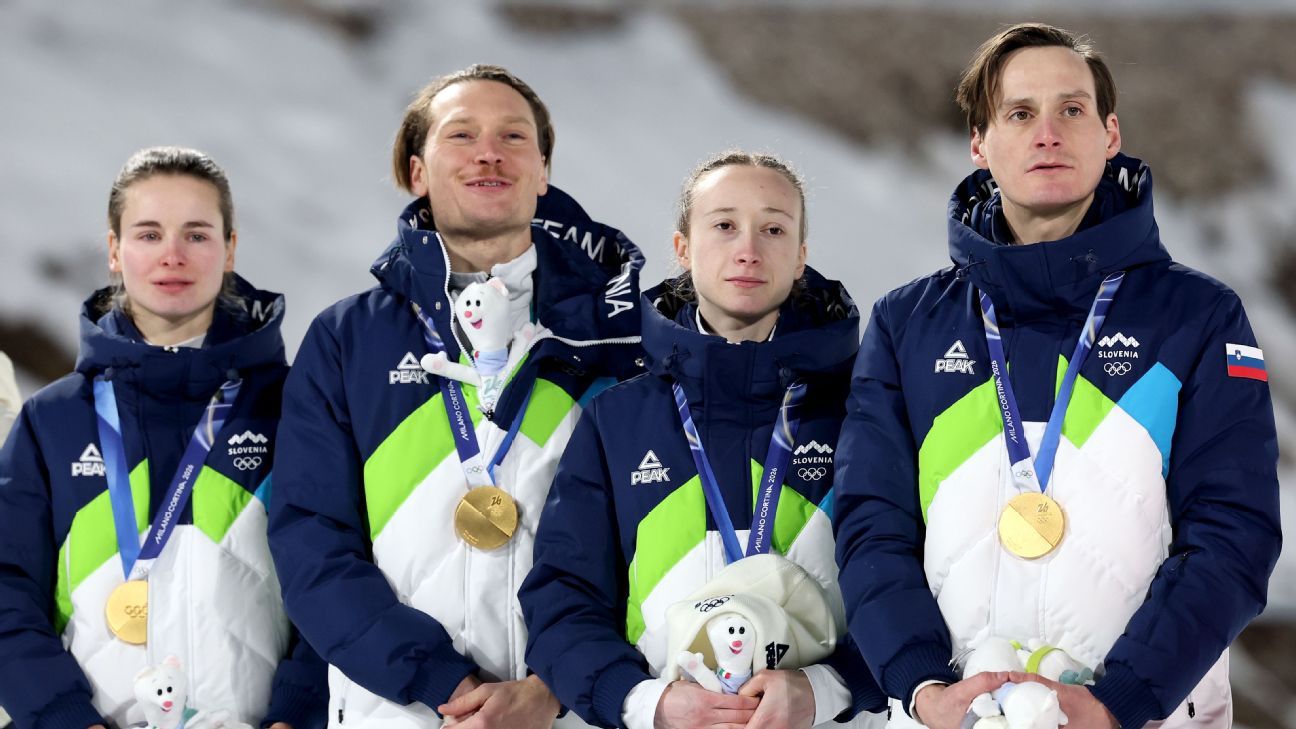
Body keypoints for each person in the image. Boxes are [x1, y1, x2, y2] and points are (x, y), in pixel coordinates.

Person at [832, 22, 1281, 729]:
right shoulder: (906, 324)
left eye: (1071, 109)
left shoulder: (1198, 316)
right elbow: (871, 527)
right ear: (980, 144)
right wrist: (922, 688)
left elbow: (1234, 532)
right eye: (1020, 113)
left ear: (1110, 133)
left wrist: (1120, 701)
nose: (1048, 134)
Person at [267, 65, 644, 729]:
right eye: (461, 134)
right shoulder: (348, 339)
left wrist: (554, 685)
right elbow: (312, 544)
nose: (488, 153)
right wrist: (445, 684)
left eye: (513, 136)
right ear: (417, 171)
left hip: (578, 710)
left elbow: (654, 534)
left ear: (543, 172)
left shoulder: (622, 335)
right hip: (400, 711)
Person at [520, 151, 886, 729]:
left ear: (800, 256)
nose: (748, 249)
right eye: (724, 225)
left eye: (773, 229)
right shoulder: (618, 419)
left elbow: (909, 582)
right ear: (684, 248)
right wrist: (646, 702)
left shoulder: (863, 407)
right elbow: (564, 597)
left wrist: (829, 687)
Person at [0, 147, 326, 729]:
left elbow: (340, 568)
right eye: (148, 234)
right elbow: (7, 591)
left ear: (229, 249)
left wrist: (297, 713)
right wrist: (63, 717)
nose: (172, 255)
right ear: (114, 250)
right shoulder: (54, 421)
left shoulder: (295, 406)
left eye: (196, 235)